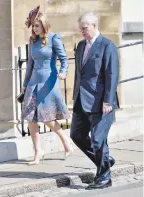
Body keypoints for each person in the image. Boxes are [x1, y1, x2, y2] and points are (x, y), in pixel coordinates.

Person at [70, 12, 119, 190]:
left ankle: (105, 177)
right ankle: (106, 160)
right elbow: (78, 75)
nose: (82, 32)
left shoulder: (107, 46)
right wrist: (74, 97)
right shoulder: (81, 46)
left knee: (98, 141)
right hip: (81, 101)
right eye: (80, 29)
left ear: (94, 26)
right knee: (76, 135)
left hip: (101, 103)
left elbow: (111, 75)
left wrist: (108, 101)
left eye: (84, 28)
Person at [21, 6, 73, 165]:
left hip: (48, 82)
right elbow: (30, 63)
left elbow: (64, 59)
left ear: (44, 24)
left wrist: (63, 72)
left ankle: (66, 142)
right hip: (33, 82)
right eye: (33, 26)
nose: (34, 29)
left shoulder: (54, 38)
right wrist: (25, 84)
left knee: (47, 118)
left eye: (36, 26)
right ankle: (38, 151)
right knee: (30, 118)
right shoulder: (32, 40)